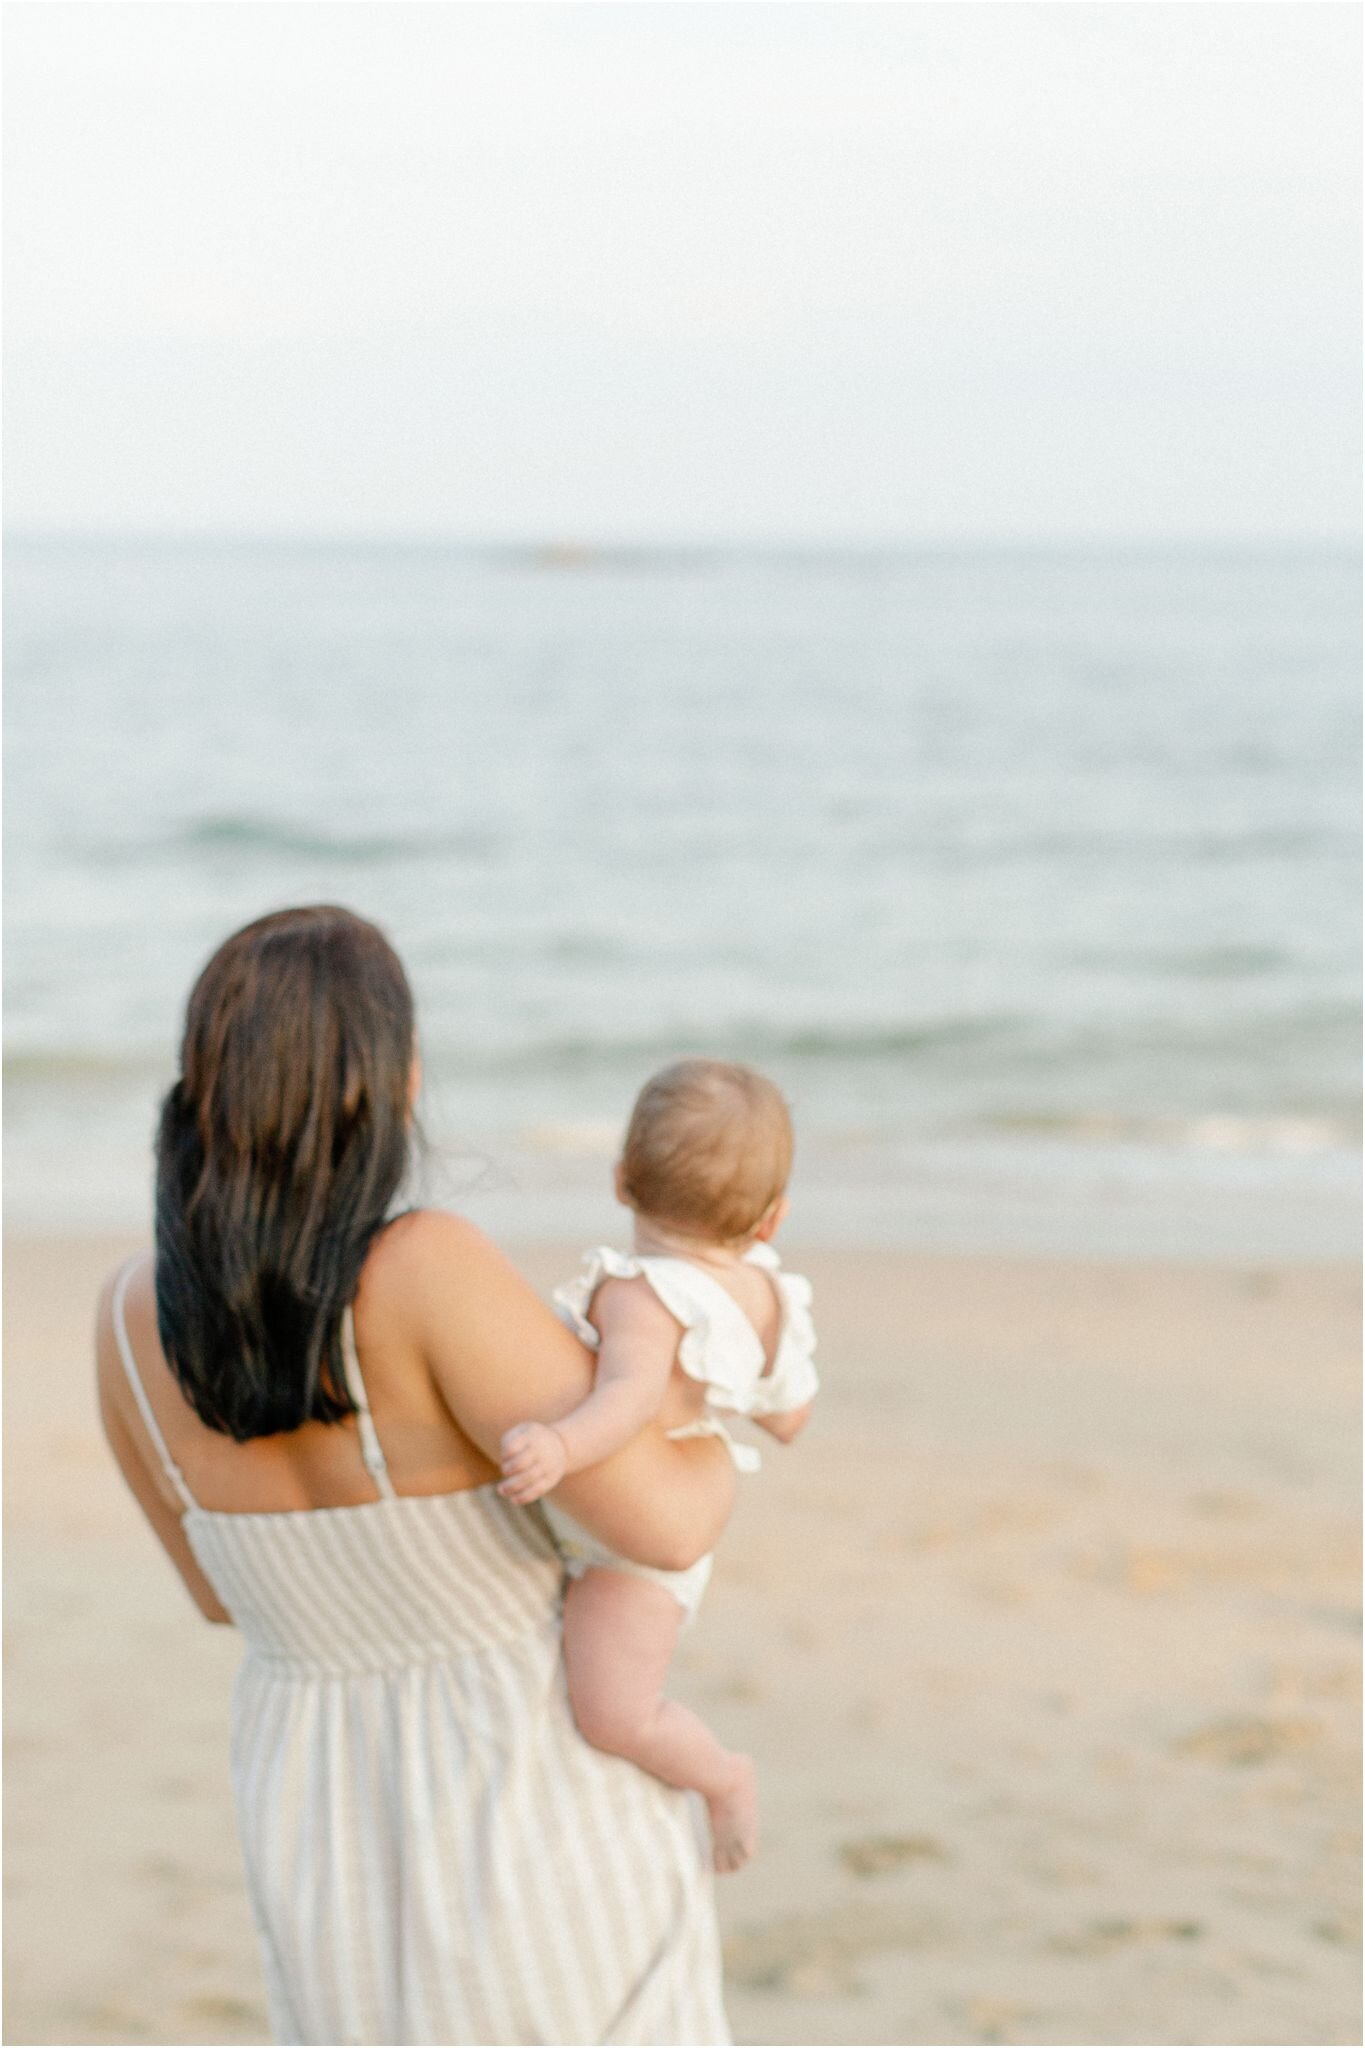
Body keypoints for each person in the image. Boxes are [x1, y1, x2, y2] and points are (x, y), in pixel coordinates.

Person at [95, 906, 735, 2047]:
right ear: (391, 1082)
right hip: (526, 1798)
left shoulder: (126, 1322)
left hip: (318, 1820)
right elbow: (669, 1525)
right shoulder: (425, 1267)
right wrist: (718, 1415)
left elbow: (217, 1597)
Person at [498, 1059, 819, 1875]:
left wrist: (562, 1446)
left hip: (628, 1549)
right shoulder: (767, 1293)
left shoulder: (641, 1293)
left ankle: (723, 1777)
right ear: (772, 1219)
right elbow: (788, 1412)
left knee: (617, 1714)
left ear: (620, 1181)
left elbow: (629, 1395)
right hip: (667, 1515)